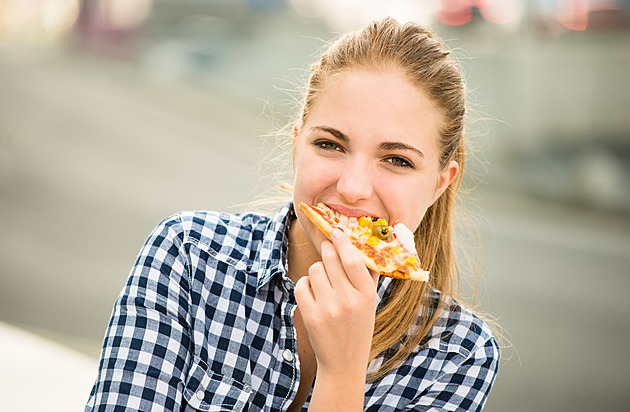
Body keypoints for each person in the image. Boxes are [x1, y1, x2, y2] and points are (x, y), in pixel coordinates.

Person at [86, 17, 499, 412]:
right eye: (331, 145)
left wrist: (342, 374)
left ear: (440, 183)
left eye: (396, 160)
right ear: (297, 144)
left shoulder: (459, 353)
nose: (353, 188)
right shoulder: (189, 257)